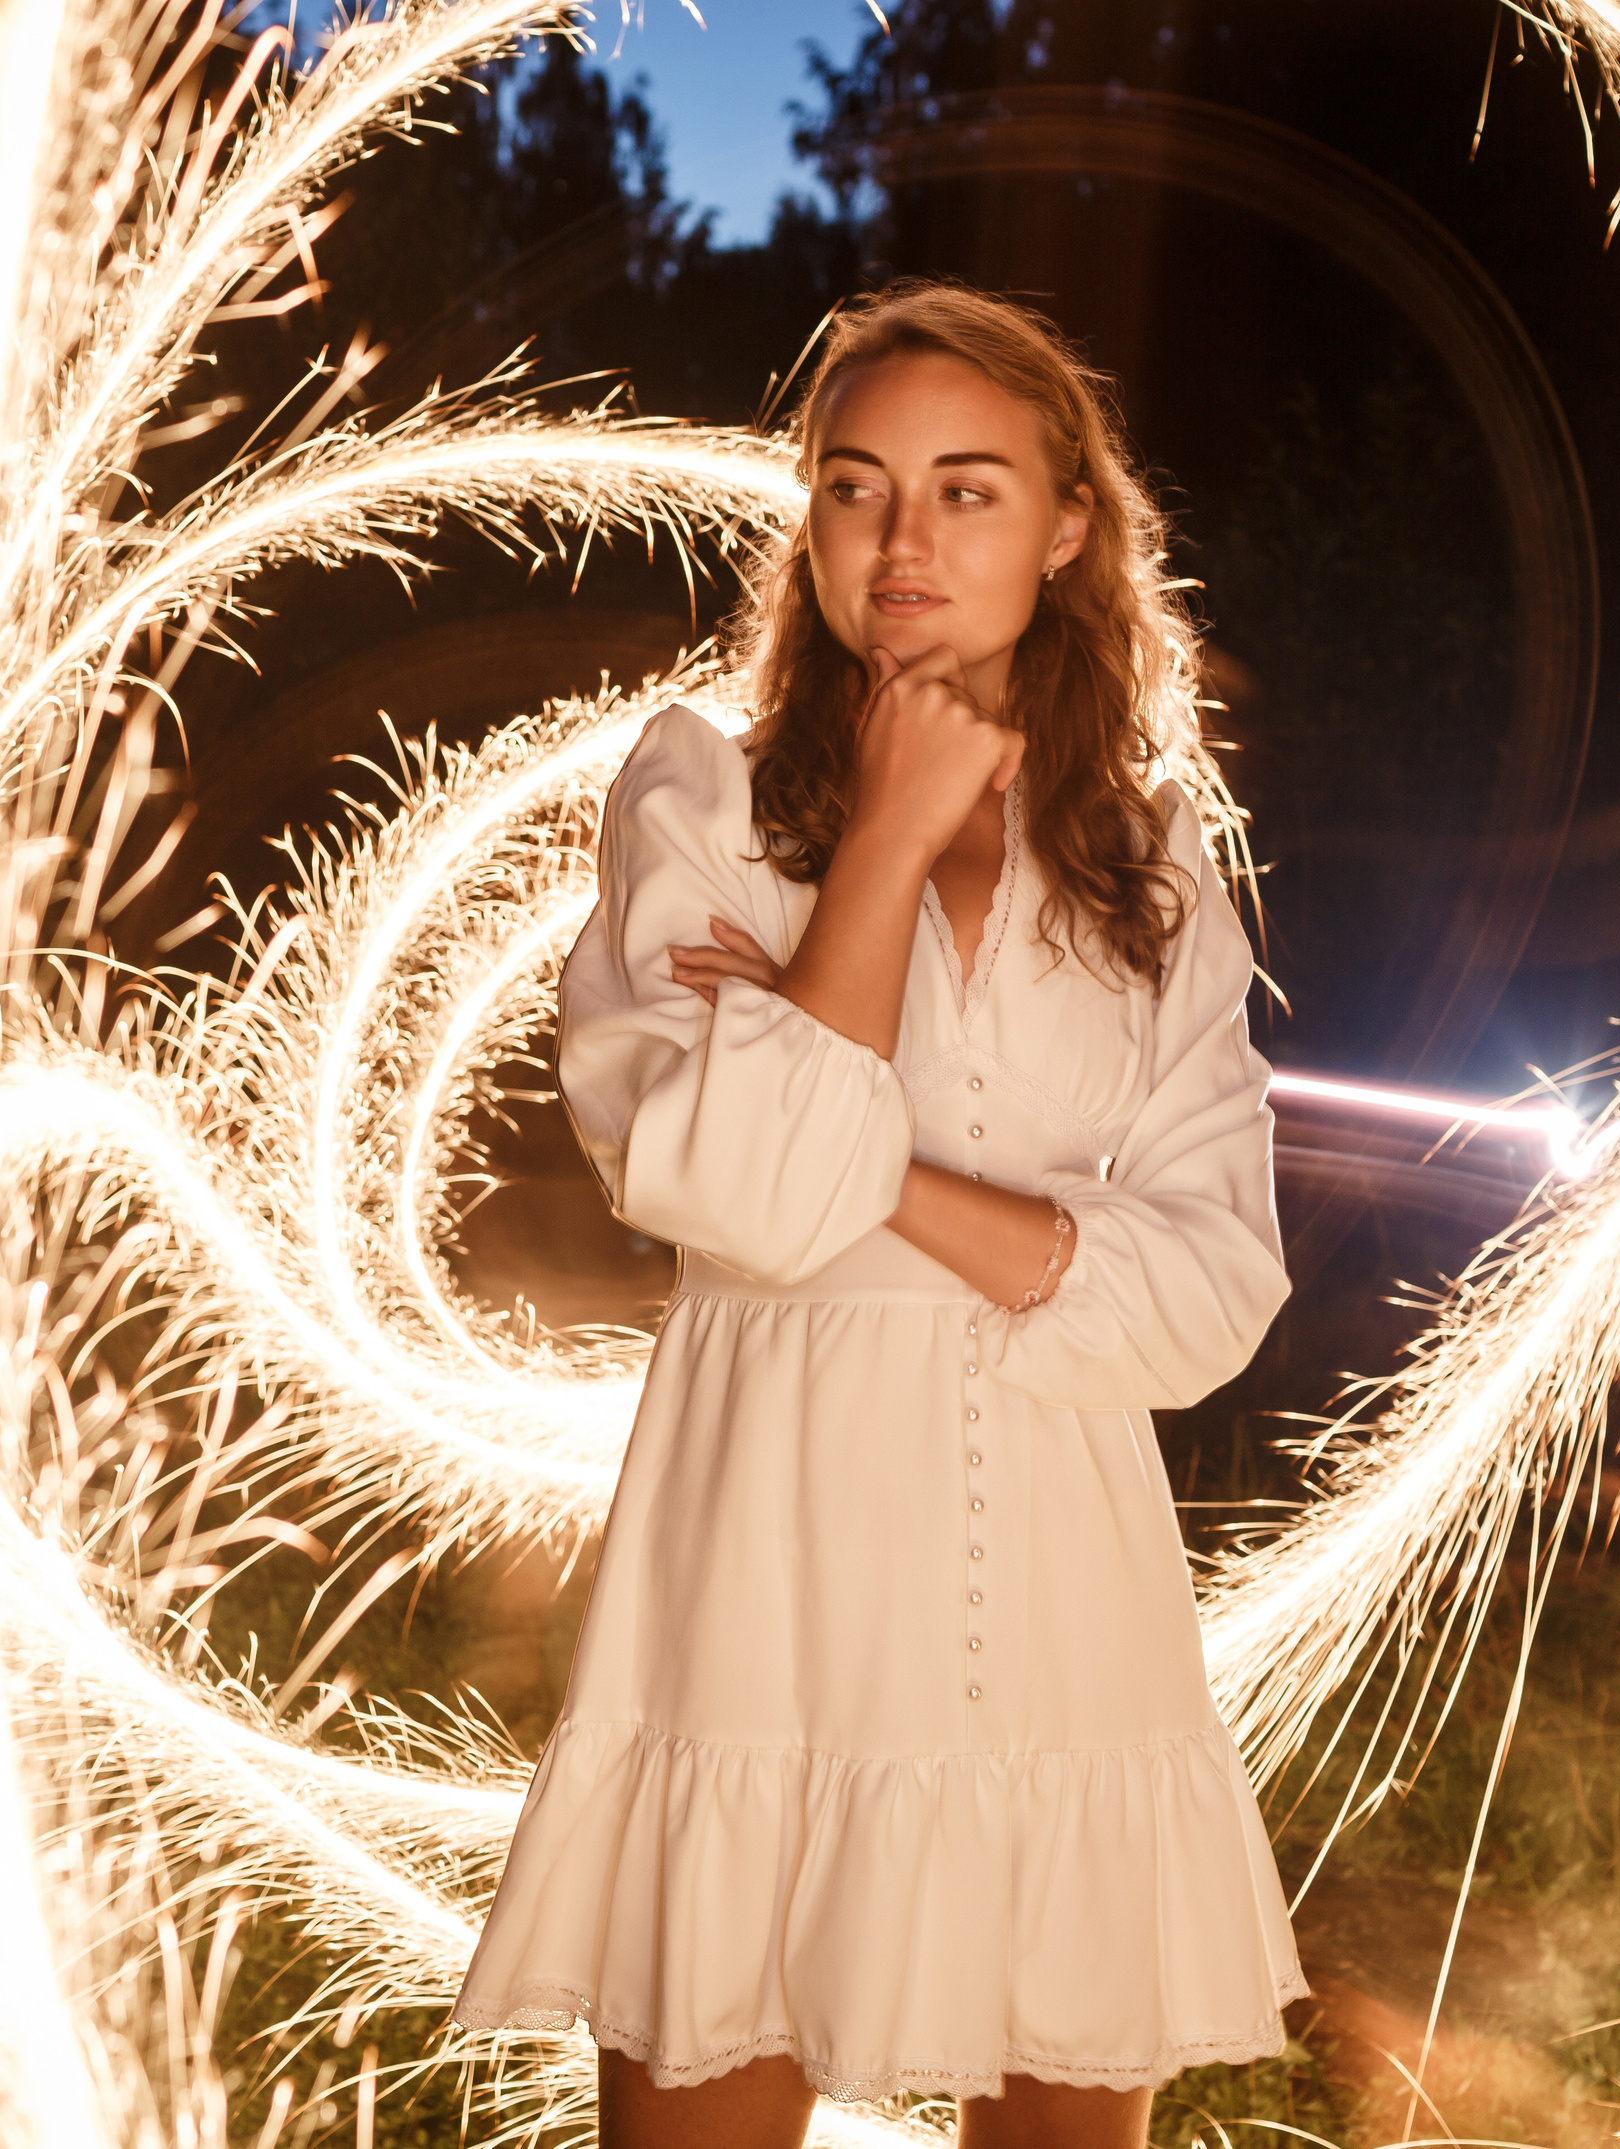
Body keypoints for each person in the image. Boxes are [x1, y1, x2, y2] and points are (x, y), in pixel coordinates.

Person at [450, 281, 1305, 2148]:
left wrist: (876, 1155)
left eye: (968, 489)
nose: (903, 541)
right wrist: (887, 846)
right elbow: (740, 1202)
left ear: (1069, 522)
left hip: (1069, 1590)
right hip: (766, 1560)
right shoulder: (707, 797)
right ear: (812, 520)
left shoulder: (1150, 866)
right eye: (857, 487)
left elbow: (1210, 1294)